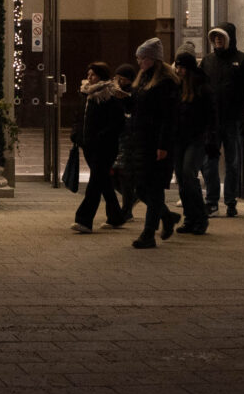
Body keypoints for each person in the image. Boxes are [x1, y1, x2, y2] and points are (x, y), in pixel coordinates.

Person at [118, 39, 178, 248]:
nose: (139, 61)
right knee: (142, 188)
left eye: (142, 57)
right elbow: (137, 108)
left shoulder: (165, 83)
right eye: (138, 58)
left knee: (152, 188)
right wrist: (123, 97)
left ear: (154, 59)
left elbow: (167, 117)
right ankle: (167, 217)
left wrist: (163, 145)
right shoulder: (142, 80)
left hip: (155, 143)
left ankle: (148, 234)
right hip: (140, 141)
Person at [204, 23, 244, 217]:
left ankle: (230, 201)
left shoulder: (243, 61)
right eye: (215, 37)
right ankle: (211, 201)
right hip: (211, 121)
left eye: (221, 37)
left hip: (233, 120)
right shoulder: (208, 61)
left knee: (232, 162)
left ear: (230, 38)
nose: (218, 40)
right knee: (209, 161)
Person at [70, 62, 129, 233]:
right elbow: (79, 116)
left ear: (101, 76)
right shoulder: (86, 94)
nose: (89, 77)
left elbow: (118, 122)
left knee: (95, 182)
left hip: (105, 147)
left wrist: (101, 136)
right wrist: (77, 134)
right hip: (88, 145)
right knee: (103, 181)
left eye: (93, 75)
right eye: (88, 74)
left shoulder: (109, 95)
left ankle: (84, 220)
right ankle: (116, 216)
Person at [169, 48, 215, 234]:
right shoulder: (177, 87)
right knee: (181, 177)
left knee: (188, 174)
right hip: (179, 139)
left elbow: (212, 116)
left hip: (196, 138)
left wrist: (211, 138)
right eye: (177, 67)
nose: (178, 71)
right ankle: (190, 218)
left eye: (181, 68)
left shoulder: (202, 88)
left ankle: (200, 217)